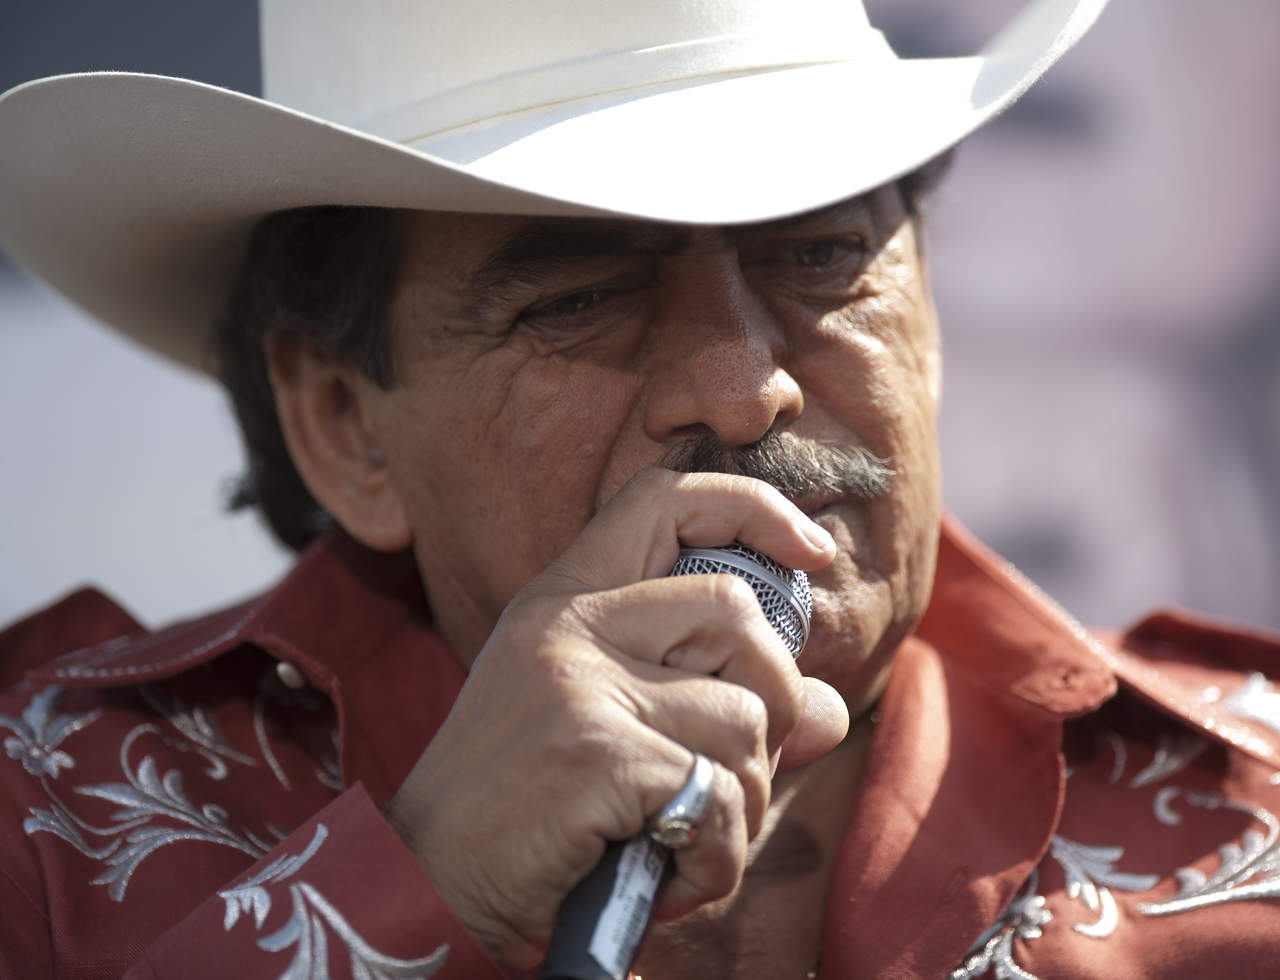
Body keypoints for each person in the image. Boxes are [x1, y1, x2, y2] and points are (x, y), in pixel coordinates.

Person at [2, 1, 1279, 978]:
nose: (741, 390)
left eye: (821, 252)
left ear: (927, 311)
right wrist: (418, 894)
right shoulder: (45, 827)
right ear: (345, 425)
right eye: (581, 298)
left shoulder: (1254, 792)